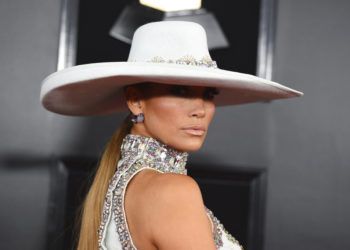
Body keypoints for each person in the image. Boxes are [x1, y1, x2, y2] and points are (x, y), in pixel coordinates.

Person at [40, 21, 302, 250]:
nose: (200, 110)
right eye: (181, 91)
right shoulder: (171, 191)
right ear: (136, 100)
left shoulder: (126, 183)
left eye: (209, 94)